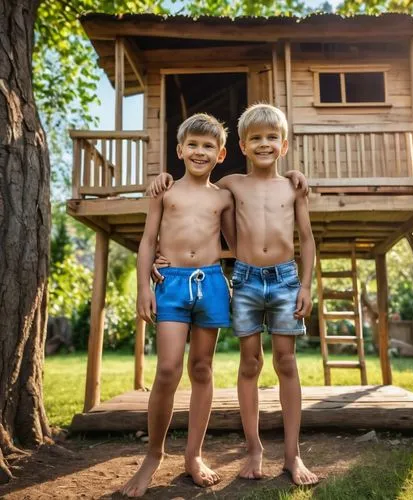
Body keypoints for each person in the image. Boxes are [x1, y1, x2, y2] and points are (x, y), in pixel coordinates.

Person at [150, 104, 318, 486]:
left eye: (272, 137)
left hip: (285, 280)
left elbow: (306, 239)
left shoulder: (293, 186)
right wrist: (161, 178)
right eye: (255, 138)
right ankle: (254, 449)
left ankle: (293, 455)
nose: (264, 144)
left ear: (284, 144)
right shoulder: (231, 184)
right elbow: (197, 198)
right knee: (249, 364)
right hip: (243, 280)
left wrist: (306, 285)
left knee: (287, 363)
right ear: (241, 145)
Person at [120, 113, 236, 497]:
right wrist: (143, 285)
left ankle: (194, 456)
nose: (199, 152)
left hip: (212, 282)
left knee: (201, 368)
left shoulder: (223, 196)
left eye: (208, 146)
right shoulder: (164, 191)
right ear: (179, 150)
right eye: (193, 145)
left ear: (220, 154)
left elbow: (238, 240)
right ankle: (153, 456)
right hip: (169, 285)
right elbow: (146, 239)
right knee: (168, 369)